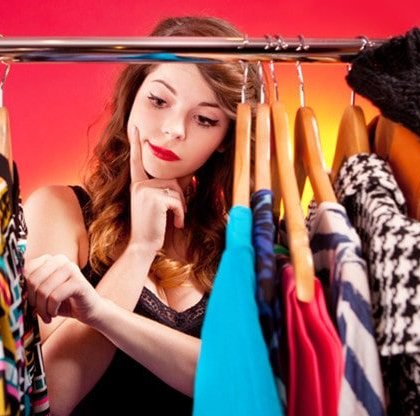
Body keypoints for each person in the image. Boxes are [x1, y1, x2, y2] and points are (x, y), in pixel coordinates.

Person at [23, 16, 259, 415]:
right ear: (133, 95)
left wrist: (101, 313)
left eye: (205, 119)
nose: (174, 129)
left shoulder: (234, 246)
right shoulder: (59, 210)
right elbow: (52, 397)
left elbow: (237, 385)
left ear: (224, 139)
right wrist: (140, 250)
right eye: (159, 100)